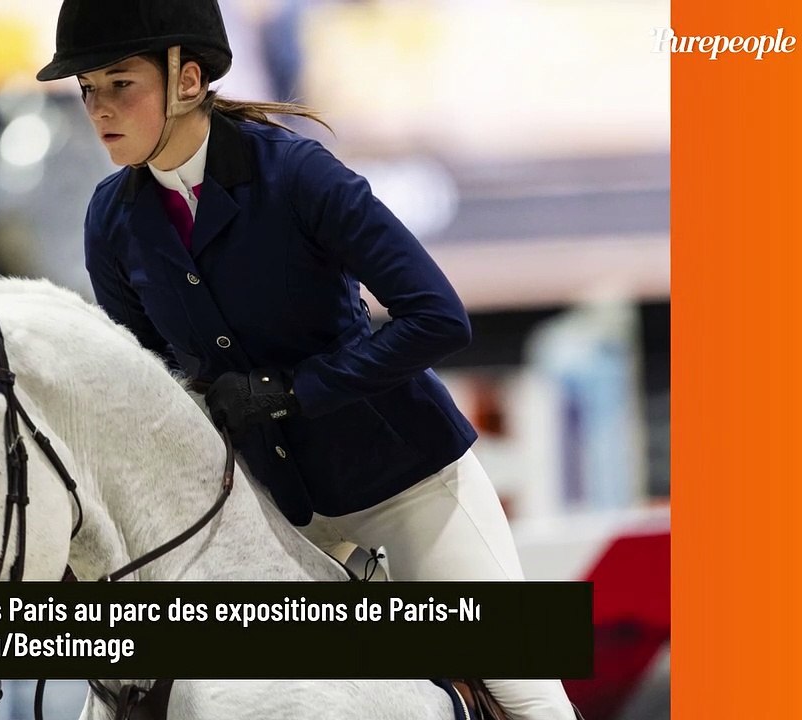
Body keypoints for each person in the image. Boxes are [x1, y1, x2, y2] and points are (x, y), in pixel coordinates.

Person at [36, 2, 579, 718]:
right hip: (270, 508)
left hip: (400, 483)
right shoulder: (111, 219)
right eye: (86, 90)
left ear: (187, 79)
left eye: (119, 85)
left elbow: (437, 317)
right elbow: (150, 380)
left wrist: (293, 390)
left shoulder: (294, 174)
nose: (99, 109)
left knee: (528, 695)